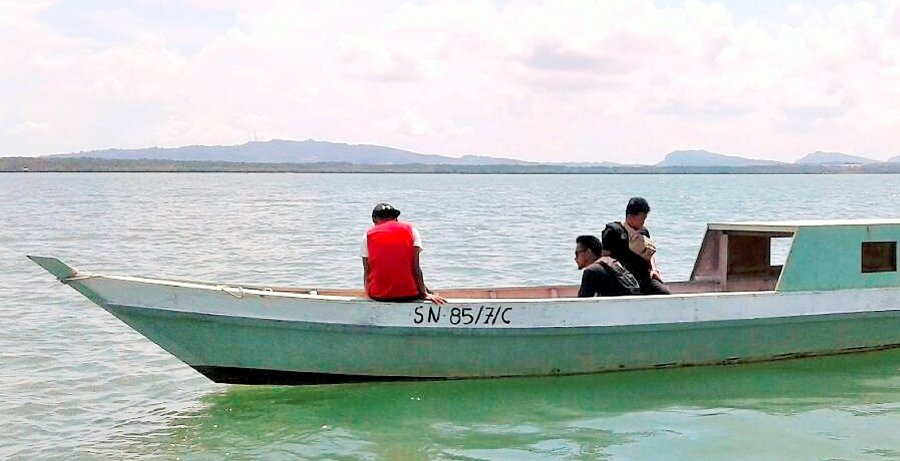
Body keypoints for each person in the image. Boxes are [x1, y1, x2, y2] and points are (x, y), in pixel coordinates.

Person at [361, 203, 445, 304]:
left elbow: (367, 270)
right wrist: (424, 294)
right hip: (409, 295)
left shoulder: (367, 235)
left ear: (374, 220)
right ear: (395, 218)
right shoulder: (411, 230)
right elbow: (415, 267)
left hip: (378, 296)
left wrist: (368, 294)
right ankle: (427, 291)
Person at [601, 197, 671, 295]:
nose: (644, 221)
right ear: (631, 216)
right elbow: (604, 259)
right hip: (622, 280)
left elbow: (649, 254)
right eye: (642, 218)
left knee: (664, 293)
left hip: (643, 278)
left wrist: (654, 270)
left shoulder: (644, 232)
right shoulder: (613, 231)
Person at [574, 235, 641, 297]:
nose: (575, 258)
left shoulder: (591, 271)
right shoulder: (612, 262)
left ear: (588, 252)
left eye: (577, 253)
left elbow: (583, 303)